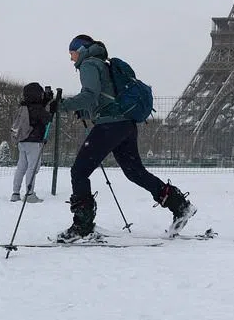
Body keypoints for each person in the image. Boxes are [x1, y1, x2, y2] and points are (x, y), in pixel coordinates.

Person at [55, 34, 197, 243]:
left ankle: (82, 226)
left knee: (79, 171)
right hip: (125, 125)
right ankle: (180, 205)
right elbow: (105, 99)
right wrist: (85, 113)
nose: (71, 59)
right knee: (135, 172)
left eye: (72, 53)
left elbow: (89, 95)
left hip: (110, 126)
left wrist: (60, 106)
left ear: (82, 50)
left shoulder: (88, 65)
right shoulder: (104, 64)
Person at [10, 82, 54, 202]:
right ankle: (30, 195)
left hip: (22, 141)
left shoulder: (24, 106)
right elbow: (47, 118)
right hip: (33, 141)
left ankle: (15, 193)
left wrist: (45, 101)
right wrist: (51, 108)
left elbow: (36, 110)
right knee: (33, 168)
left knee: (21, 167)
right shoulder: (37, 108)